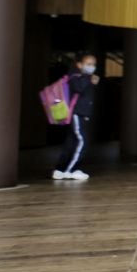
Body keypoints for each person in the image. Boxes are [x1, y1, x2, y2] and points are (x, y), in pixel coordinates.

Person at [53, 51, 99, 180]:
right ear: (79, 64)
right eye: (88, 64)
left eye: (93, 64)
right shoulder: (76, 77)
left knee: (71, 142)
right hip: (78, 114)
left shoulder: (83, 78)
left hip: (80, 114)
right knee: (82, 141)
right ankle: (71, 169)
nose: (91, 66)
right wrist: (89, 79)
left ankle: (59, 170)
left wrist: (91, 81)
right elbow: (79, 89)